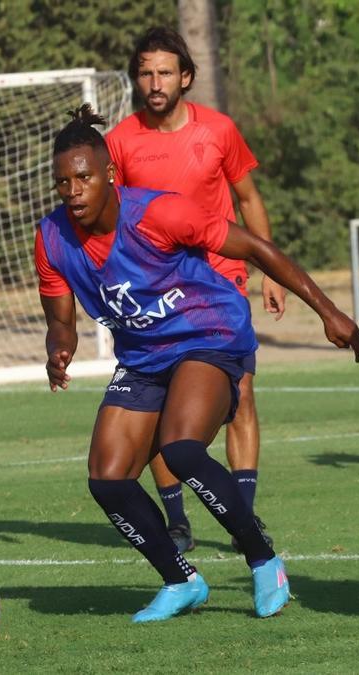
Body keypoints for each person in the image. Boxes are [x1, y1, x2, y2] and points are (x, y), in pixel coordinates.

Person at [36, 105, 359, 623]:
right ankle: (180, 580)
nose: (73, 191)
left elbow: (255, 246)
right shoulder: (52, 238)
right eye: (62, 182)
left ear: (108, 174)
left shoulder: (160, 214)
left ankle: (262, 557)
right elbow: (60, 317)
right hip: (145, 356)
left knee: (183, 450)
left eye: (82, 178)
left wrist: (329, 312)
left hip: (208, 334)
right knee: (107, 479)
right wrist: (60, 346)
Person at [106, 27, 284, 553]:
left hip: (222, 282)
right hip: (157, 289)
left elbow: (248, 199)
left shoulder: (219, 131)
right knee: (165, 407)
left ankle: (242, 512)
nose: (155, 82)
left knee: (243, 395)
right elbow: (108, 218)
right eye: (145, 72)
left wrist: (270, 269)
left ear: (185, 77)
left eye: (165, 72)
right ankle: (176, 519)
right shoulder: (119, 141)